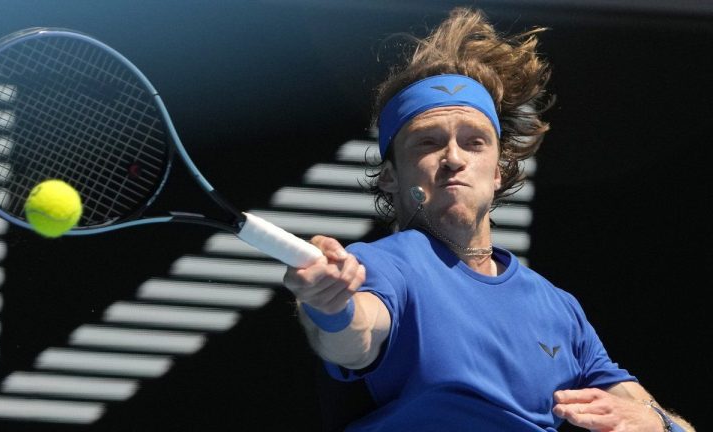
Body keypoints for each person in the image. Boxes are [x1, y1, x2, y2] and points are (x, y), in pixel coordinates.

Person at [283, 7, 695, 432]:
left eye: (474, 142)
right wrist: (331, 308)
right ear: (390, 176)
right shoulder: (384, 265)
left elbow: (656, 416)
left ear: (498, 171)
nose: (454, 159)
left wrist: (657, 422)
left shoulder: (558, 308)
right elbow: (358, 336)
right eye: (428, 142)